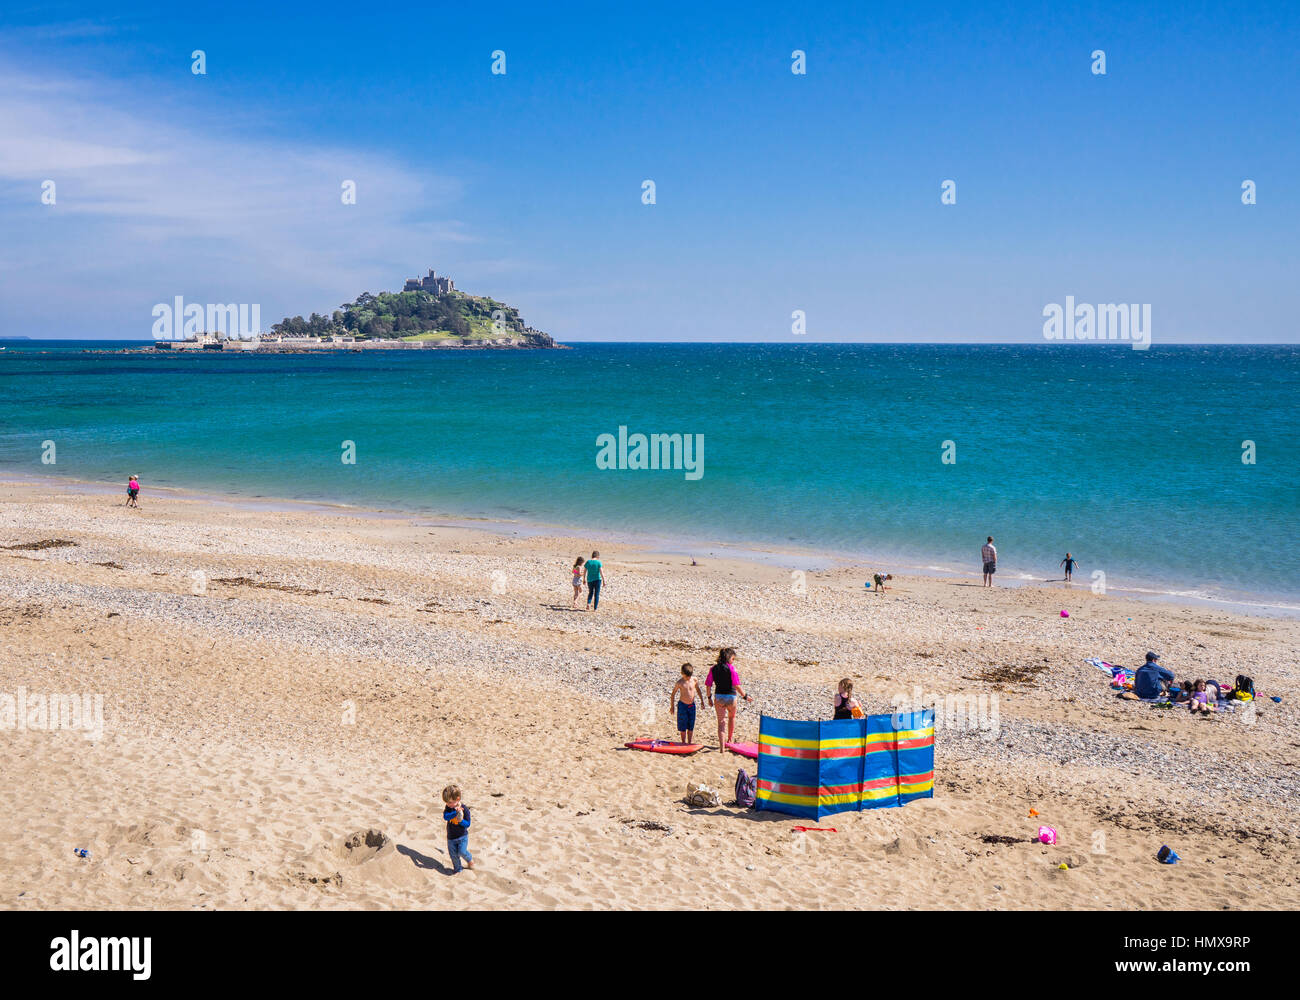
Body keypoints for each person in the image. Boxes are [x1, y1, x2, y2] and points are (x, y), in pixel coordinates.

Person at [706, 647, 751, 750]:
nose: (733, 661)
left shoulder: (713, 669)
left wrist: (709, 698)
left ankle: (722, 747)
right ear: (728, 658)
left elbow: (708, 685)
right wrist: (745, 696)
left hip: (719, 697)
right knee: (731, 718)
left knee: (721, 722)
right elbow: (737, 685)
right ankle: (729, 740)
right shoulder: (732, 668)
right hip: (731, 697)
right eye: (733, 659)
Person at [442, 783, 474, 874]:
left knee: (462, 851)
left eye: (450, 802)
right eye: (447, 802)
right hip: (451, 838)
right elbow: (445, 817)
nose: (448, 804)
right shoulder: (449, 808)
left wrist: (460, 821)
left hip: (462, 836)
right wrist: (455, 813)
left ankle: (469, 860)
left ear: (458, 799)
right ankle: (458, 870)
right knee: (453, 856)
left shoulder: (465, 809)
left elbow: (467, 824)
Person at [670, 663, 705, 744]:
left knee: (690, 725)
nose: (688, 678)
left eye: (689, 676)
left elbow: (698, 690)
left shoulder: (694, 680)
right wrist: (672, 706)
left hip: (692, 705)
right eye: (686, 676)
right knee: (682, 725)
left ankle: (689, 742)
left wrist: (702, 701)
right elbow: (673, 694)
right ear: (682, 674)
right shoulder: (680, 682)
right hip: (682, 705)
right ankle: (683, 742)